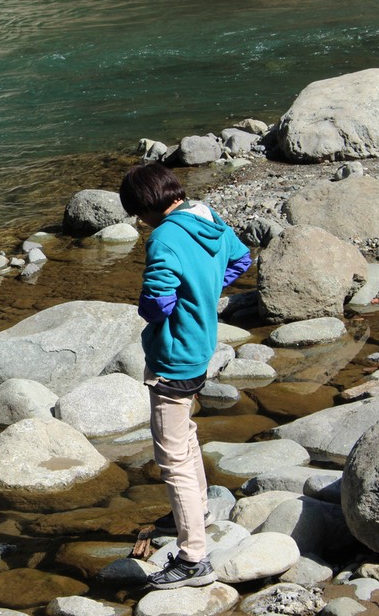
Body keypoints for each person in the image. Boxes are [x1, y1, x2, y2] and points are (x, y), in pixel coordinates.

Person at [118, 164, 251, 590]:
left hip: (173, 355)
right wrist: (207, 291)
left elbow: (156, 301)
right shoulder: (205, 216)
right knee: (185, 435)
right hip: (202, 347)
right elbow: (242, 258)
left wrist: (163, 308)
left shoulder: (165, 236)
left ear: (145, 207)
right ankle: (201, 511)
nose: (140, 223)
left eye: (137, 214)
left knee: (171, 457)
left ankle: (194, 557)